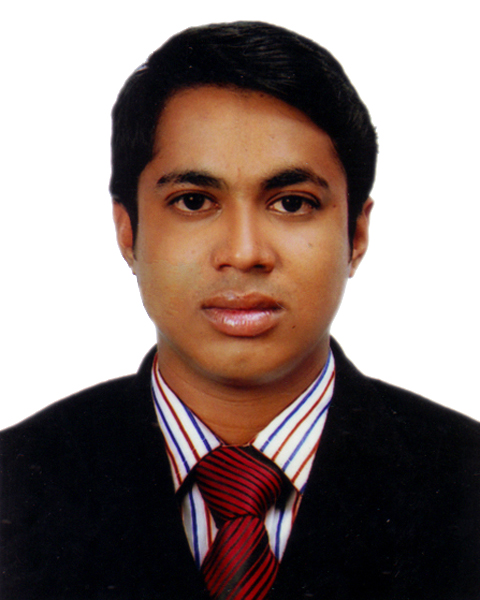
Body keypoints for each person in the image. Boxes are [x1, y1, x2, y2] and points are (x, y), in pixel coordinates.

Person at [1, 21, 479, 600]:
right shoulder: (15, 482)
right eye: (194, 201)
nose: (245, 252)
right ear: (128, 232)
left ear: (356, 234)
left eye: (292, 203)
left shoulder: (465, 480)